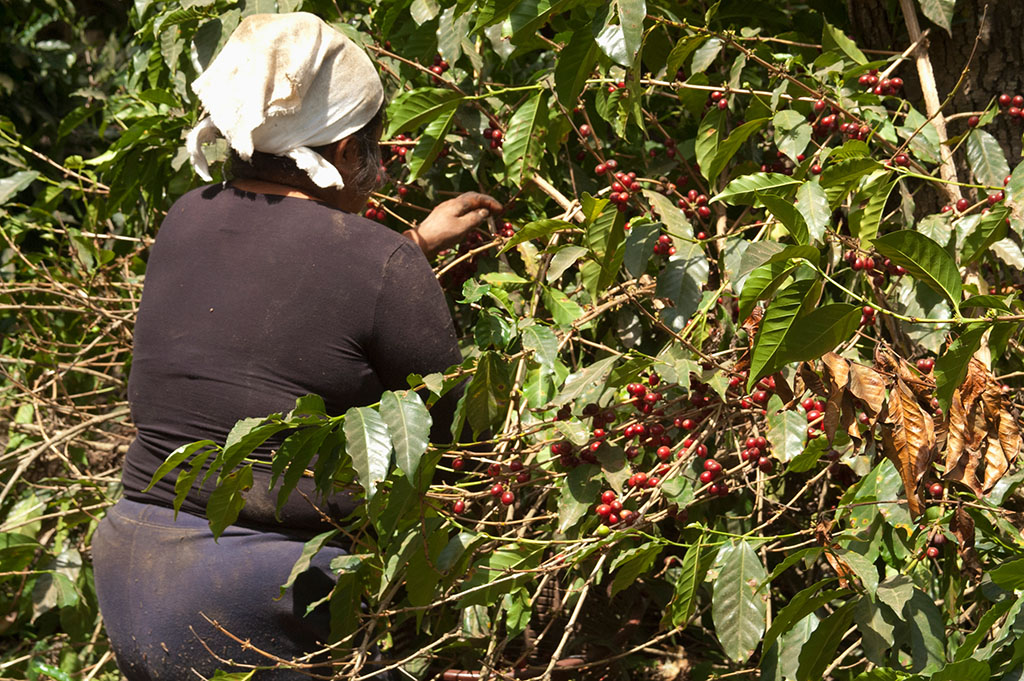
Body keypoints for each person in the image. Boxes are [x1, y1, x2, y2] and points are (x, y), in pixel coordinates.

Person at [90, 12, 501, 680]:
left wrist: (415, 249)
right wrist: (406, 270)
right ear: (343, 153)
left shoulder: (186, 213)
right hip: (256, 591)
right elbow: (457, 442)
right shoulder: (379, 263)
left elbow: (281, 304)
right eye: (373, 148)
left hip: (132, 564)